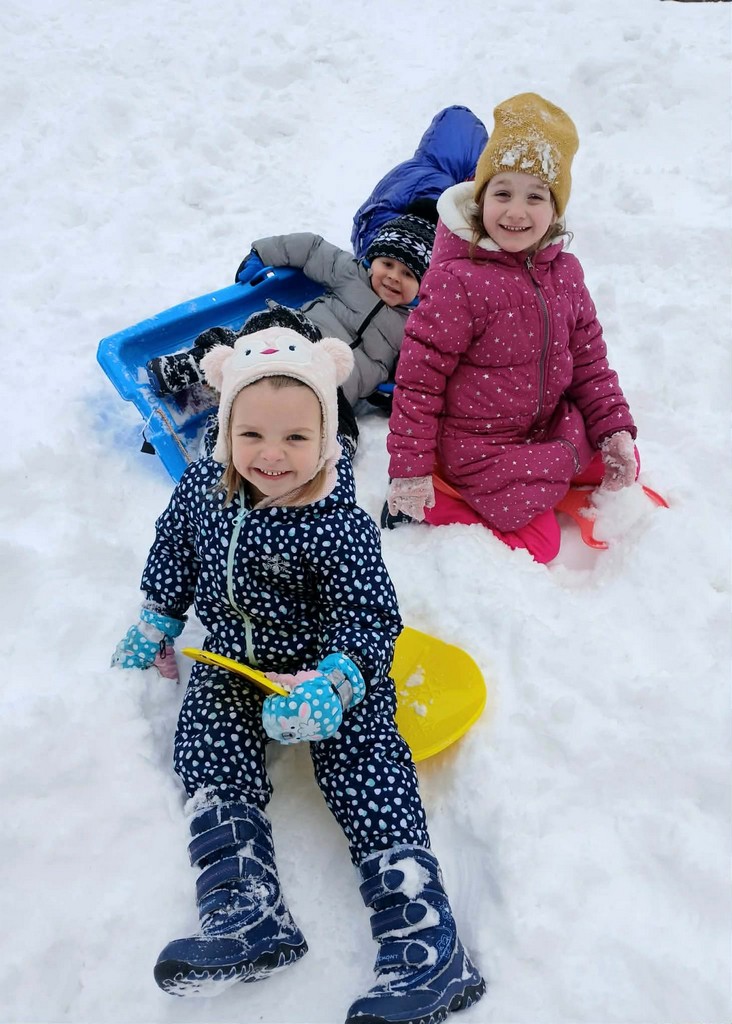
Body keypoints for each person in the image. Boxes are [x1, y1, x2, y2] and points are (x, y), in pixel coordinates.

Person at [111, 326, 485, 1023]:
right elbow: (174, 550)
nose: (272, 455)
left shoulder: (336, 523)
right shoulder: (201, 490)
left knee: (364, 759)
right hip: (237, 659)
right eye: (251, 434)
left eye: (295, 438)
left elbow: (369, 616)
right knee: (207, 743)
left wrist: (335, 684)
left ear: (325, 438)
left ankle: (426, 945)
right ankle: (245, 911)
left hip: (324, 666)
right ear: (226, 429)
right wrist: (159, 615)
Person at [383, 93, 638, 564]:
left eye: (535, 196)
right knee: (541, 543)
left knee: (620, 462)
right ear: (480, 199)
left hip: (544, 425)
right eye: (502, 193)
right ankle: (439, 500)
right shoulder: (459, 280)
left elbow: (589, 362)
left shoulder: (565, 273)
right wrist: (410, 470)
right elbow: (419, 382)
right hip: (478, 444)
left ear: (555, 209)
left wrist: (612, 428)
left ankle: (556, 465)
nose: (516, 212)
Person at [146, 213, 436, 415]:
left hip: (331, 384)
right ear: (373, 261)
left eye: (408, 274)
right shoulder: (351, 274)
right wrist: (263, 253)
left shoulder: (415, 326)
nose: (393, 277)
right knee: (268, 327)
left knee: (333, 422)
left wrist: (397, 389)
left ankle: (229, 440)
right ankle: (193, 365)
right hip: (300, 338)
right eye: (388, 264)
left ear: (423, 284)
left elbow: (421, 368)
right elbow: (311, 249)